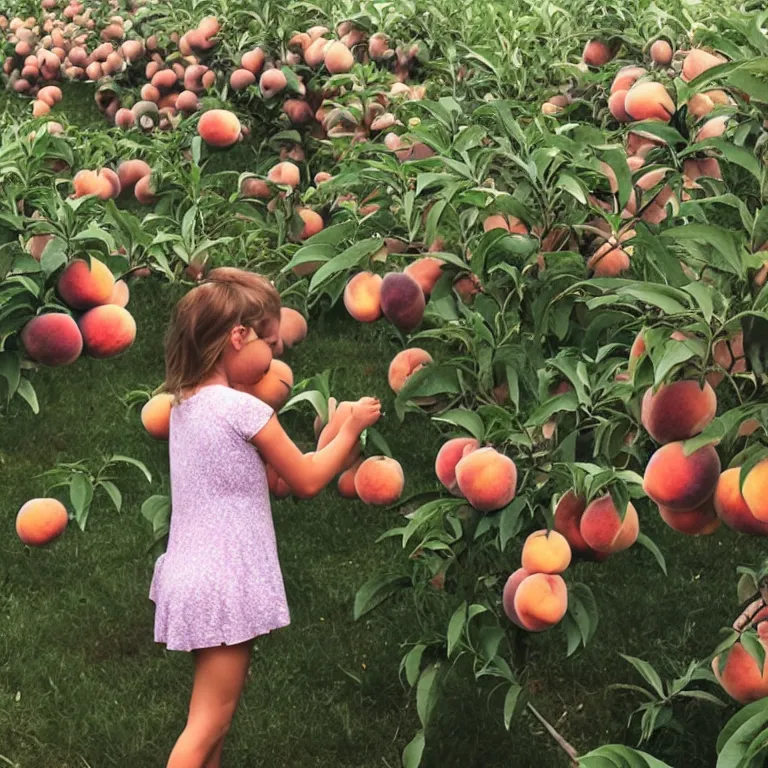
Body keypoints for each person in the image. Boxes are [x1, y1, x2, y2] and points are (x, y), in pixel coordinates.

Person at [150, 267, 381, 768]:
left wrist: (335, 434)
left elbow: (273, 481)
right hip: (225, 580)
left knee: (210, 721)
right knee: (208, 722)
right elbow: (305, 481)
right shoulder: (243, 410)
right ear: (238, 337)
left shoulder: (186, 407)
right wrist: (353, 427)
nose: (275, 357)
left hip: (194, 572)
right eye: (270, 345)